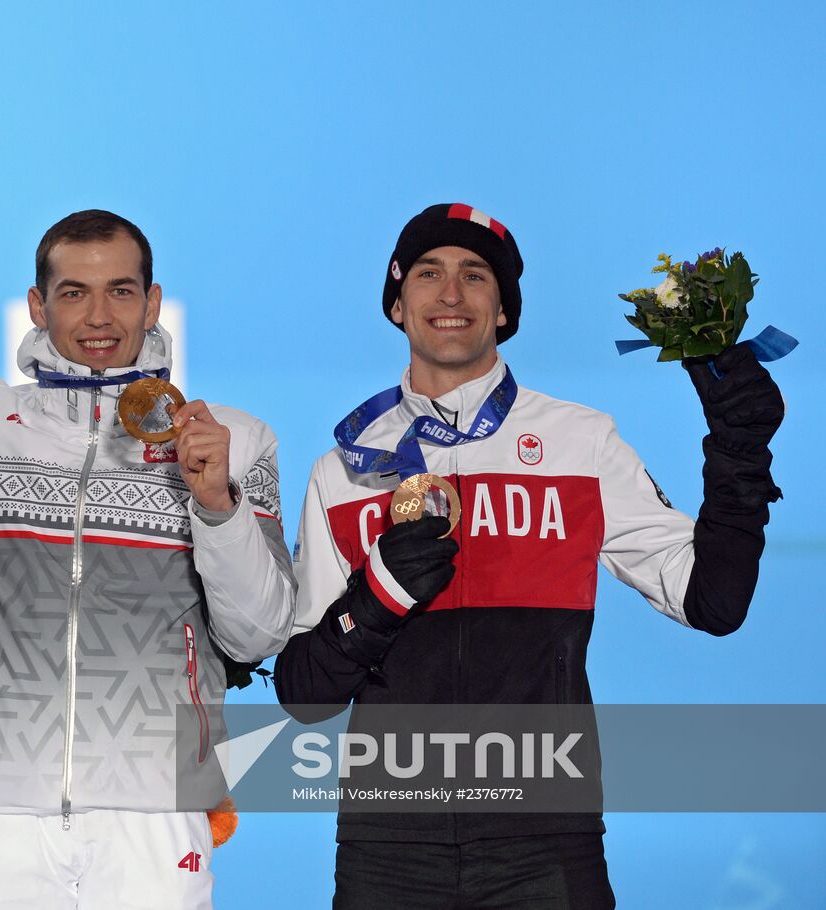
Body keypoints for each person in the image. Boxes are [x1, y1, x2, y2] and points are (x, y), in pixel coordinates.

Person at [273, 203, 785, 909]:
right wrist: (379, 596)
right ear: (398, 302)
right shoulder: (346, 468)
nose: (450, 294)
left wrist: (741, 452)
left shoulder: (581, 443)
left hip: (544, 847)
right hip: (388, 851)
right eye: (428, 273)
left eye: (475, 276)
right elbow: (304, 694)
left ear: (504, 310)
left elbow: (714, 601)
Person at [0, 209, 296, 909]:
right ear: (36, 306)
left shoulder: (236, 440)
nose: (99, 315)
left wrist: (216, 505)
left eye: (120, 290)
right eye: (74, 292)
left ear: (153, 302)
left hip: (161, 802)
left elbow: (257, 634)